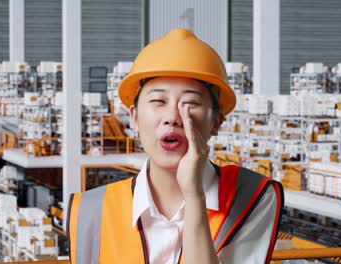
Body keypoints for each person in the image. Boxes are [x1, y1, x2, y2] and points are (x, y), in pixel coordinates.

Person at [67, 28, 284, 264]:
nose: (173, 116)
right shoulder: (89, 211)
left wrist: (194, 197)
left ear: (216, 122)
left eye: (190, 102)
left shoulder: (253, 196)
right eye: (158, 101)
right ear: (135, 118)